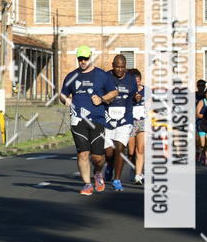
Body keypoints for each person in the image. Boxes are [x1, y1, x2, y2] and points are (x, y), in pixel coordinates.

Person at [60, 45, 118, 195]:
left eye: (85, 58)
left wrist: (102, 99)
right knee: (82, 153)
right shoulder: (71, 76)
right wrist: (65, 100)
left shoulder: (101, 75)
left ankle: (98, 173)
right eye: (80, 59)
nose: (83, 61)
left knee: (97, 157)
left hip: (97, 119)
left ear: (90, 57)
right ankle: (87, 184)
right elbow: (62, 94)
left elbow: (114, 92)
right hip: (78, 120)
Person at [103, 55, 138, 191]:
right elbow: (100, 96)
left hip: (125, 119)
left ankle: (117, 180)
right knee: (109, 153)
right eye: (117, 66)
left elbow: (133, 98)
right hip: (108, 118)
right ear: (112, 65)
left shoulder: (130, 80)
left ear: (125, 67)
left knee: (120, 148)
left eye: (122, 67)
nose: (119, 69)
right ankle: (110, 166)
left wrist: (136, 97)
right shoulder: (106, 77)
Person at [127, 68, 146, 184]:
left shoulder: (146, 90)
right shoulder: (127, 91)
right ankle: (132, 168)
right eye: (134, 82)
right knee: (130, 151)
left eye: (138, 81)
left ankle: (138, 175)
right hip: (130, 122)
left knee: (140, 149)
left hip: (143, 122)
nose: (137, 83)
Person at [196, 87, 207, 166]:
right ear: (205, 94)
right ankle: (202, 153)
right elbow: (197, 114)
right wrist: (206, 116)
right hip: (201, 124)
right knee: (203, 144)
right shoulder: (202, 102)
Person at [195, 79, 207, 162]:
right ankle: (198, 151)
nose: (201, 87)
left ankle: (203, 153)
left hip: (205, 118)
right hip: (195, 117)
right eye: (199, 85)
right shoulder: (194, 95)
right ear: (197, 86)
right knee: (197, 138)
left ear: (204, 86)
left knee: (205, 138)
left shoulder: (206, 95)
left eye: (202, 85)